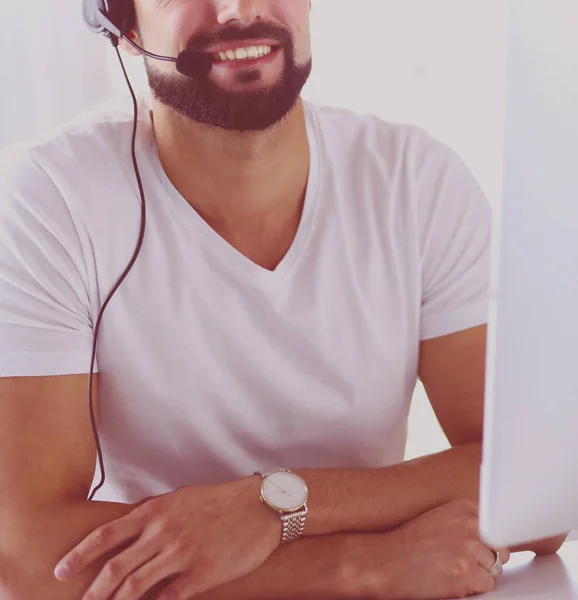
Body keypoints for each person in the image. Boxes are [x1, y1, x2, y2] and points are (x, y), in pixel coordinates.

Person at [0, 1, 566, 599]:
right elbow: (26, 557)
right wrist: (354, 567)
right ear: (121, 21)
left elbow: (538, 495)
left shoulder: (416, 182)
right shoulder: (49, 202)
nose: (237, 9)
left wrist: (276, 503)